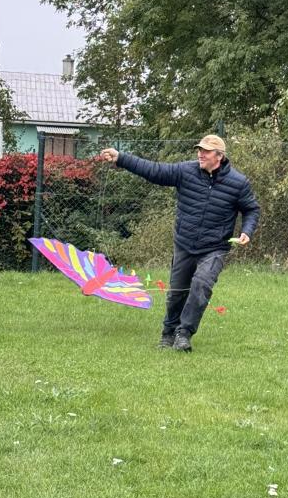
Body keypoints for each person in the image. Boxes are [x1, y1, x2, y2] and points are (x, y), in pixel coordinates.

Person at [99, 135, 260, 352]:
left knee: (201, 285)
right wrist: (121, 158)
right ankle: (168, 333)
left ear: (219, 156)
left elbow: (251, 209)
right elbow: (154, 170)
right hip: (184, 243)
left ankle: (184, 334)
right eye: (199, 150)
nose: (200, 154)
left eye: (206, 151)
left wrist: (247, 231)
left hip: (215, 248)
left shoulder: (238, 182)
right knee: (177, 292)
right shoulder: (185, 171)